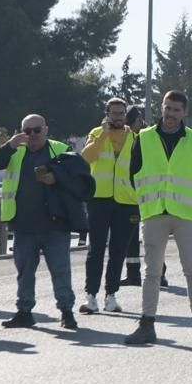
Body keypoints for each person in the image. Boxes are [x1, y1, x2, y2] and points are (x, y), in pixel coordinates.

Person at [123, 91, 192, 346]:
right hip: (154, 211)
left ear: (184, 112)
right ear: (161, 108)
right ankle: (146, 324)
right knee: (151, 272)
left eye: (176, 110)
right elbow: (135, 173)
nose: (170, 114)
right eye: (167, 108)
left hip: (184, 212)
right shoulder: (144, 137)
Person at [0, 114, 90, 329]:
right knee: (24, 272)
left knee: (60, 271)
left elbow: (80, 179)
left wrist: (56, 178)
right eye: (27, 131)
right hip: (23, 224)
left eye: (36, 130)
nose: (32, 135)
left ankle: (66, 311)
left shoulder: (59, 149)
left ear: (46, 129)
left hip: (55, 224)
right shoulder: (16, 151)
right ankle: (24, 311)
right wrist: (9, 145)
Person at [78, 98, 137, 316]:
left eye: (121, 113)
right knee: (96, 249)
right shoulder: (96, 133)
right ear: (107, 114)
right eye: (114, 113)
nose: (118, 117)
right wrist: (103, 134)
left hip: (126, 201)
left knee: (118, 250)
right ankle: (91, 296)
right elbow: (86, 158)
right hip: (99, 198)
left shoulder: (135, 138)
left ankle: (111, 295)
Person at [120, 105, 167, 290]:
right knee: (131, 239)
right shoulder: (126, 137)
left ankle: (160, 274)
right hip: (128, 196)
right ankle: (133, 274)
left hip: (147, 196)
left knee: (154, 239)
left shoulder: (148, 138)